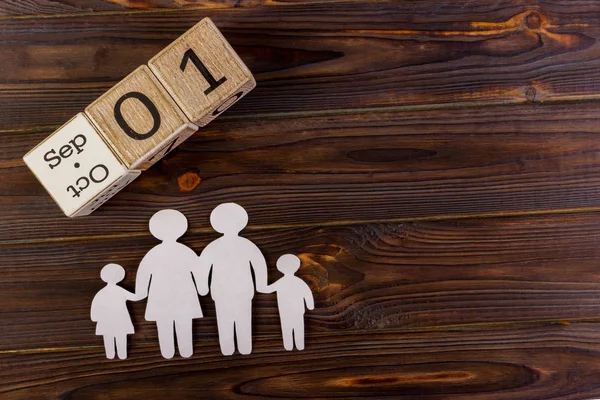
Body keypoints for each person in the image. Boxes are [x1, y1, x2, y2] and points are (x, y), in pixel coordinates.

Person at [196, 203, 268, 356]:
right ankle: (241, 346)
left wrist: (203, 287)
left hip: (228, 292)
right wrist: (261, 284)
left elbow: (202, 267)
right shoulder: (246, 245)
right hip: (238, 291)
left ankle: (231, 348)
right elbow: (259, 265)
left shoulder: (213, 247)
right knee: (239, 319)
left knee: (226, 320)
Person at [135, 209, 203, 359]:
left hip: (161, 296)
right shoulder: (185, 251)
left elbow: (143, 273)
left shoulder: (154, 253)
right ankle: (185, 350)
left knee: (164, 324)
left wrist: (141, 293)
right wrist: (202, 288)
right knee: (183, 322)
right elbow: (198, 270)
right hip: (183, 295)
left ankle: (168, 351)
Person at [264, 254, 314, 351]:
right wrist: (310, 305)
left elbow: (268, 289)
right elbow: (307, 293)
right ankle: (299, 345)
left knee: (287, 328)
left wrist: (260, 286)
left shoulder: (280, 282)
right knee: (298, 327)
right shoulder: (299, 282)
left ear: (280, 268)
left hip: (285, 312)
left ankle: (289, 345)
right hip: (297, 310)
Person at [91, 263, 138, 359]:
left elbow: (95, 305)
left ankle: (110, 354)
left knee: (108, 338)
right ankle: (122, 354)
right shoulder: (120, 290)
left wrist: (95, 317)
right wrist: (144, 292)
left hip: (106, 321)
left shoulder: (102, 292)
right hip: (120, 319)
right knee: (121, 337)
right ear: (120, 276)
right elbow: (134, 297)